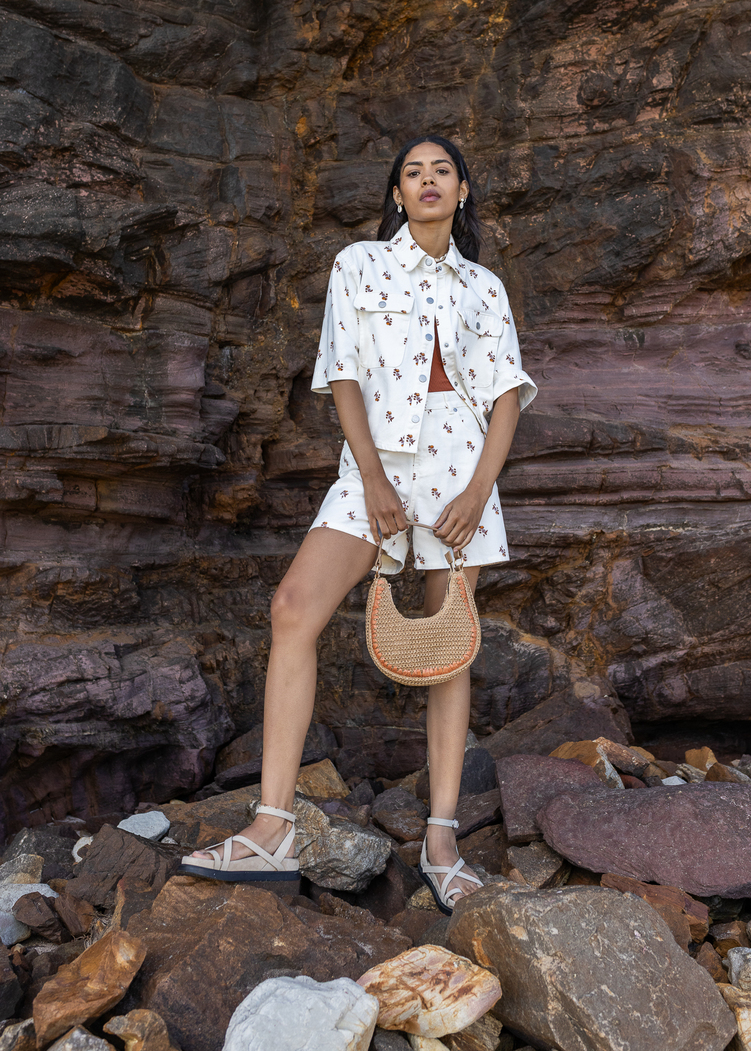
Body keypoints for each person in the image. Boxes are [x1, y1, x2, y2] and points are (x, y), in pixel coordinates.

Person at [181, 136, 537, 914]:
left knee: (449, 648)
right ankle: (272, 827)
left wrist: (481, 490)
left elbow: (507, 395)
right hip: (374, 464)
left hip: (461, 470)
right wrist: (371, 475)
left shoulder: (486, 287)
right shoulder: (360, 264)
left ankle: (441, 841)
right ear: (398, 195)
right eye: (414, 172)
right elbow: (342, 371)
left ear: (464, 191)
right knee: (293, 608)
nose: (429, 180)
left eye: (442, 170)